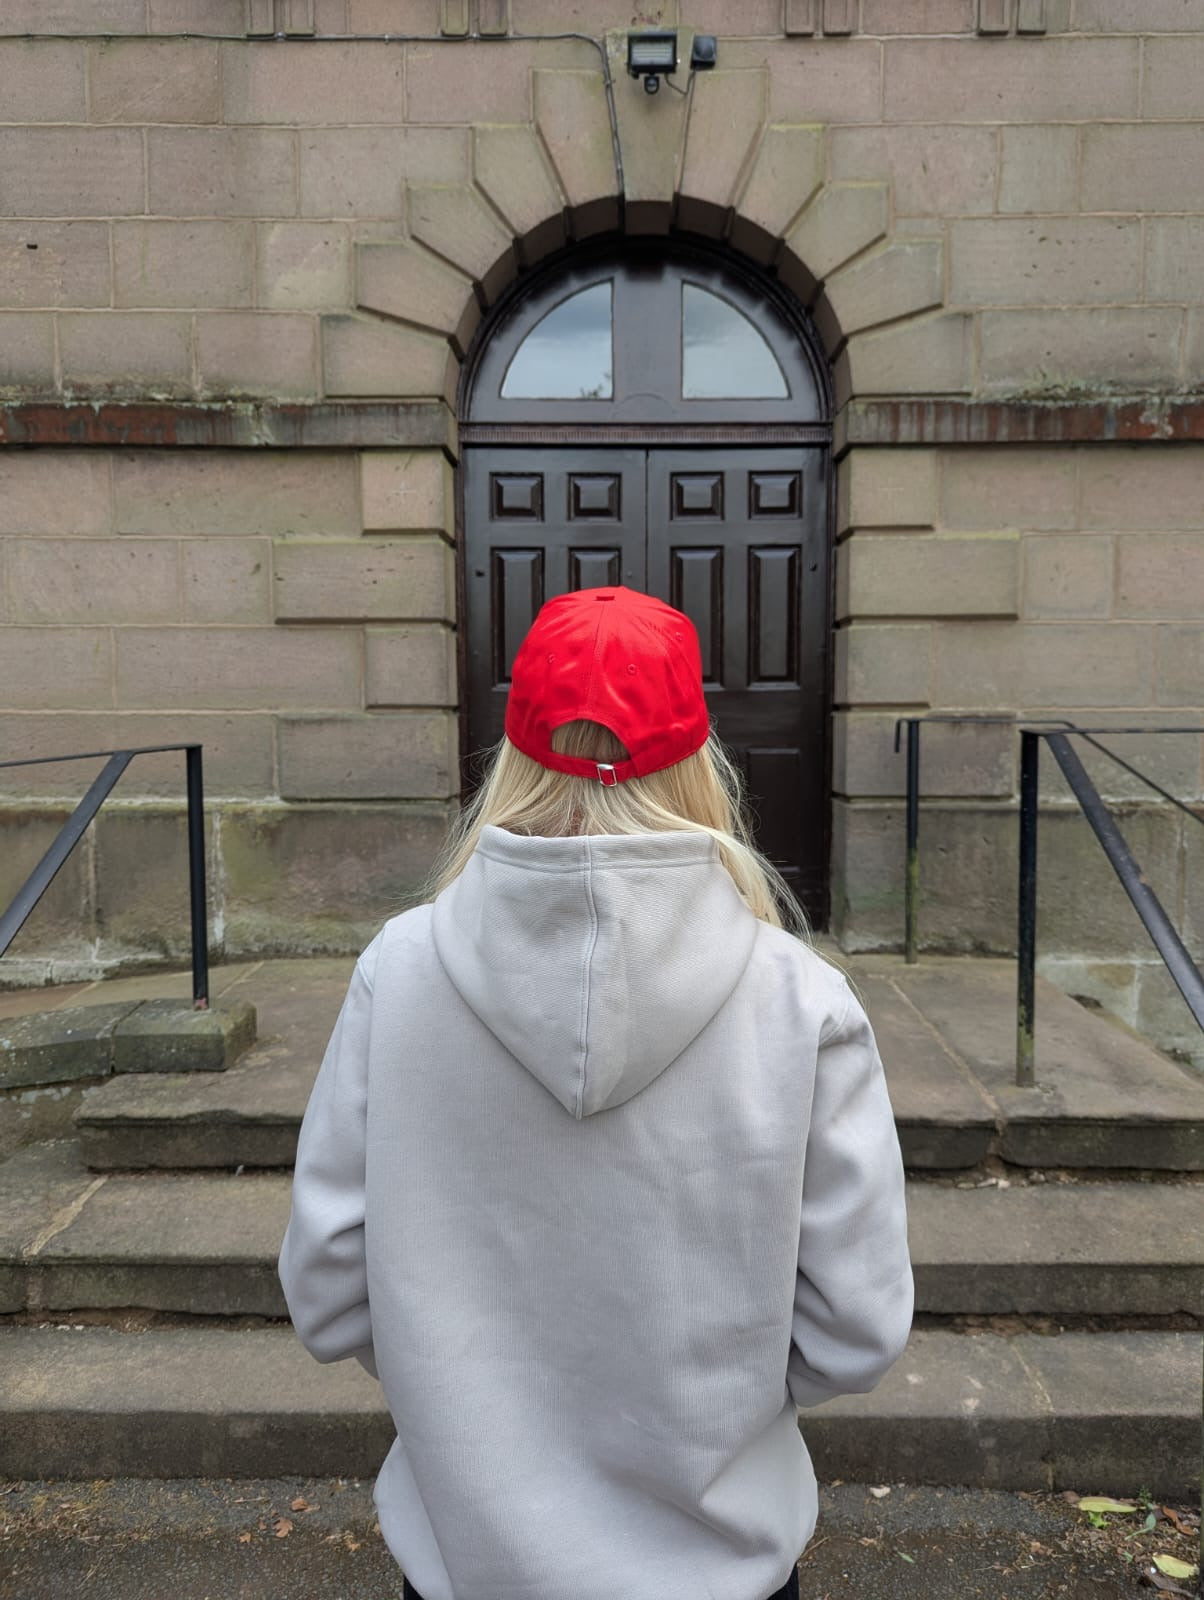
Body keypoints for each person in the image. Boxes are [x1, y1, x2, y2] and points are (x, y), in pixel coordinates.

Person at [277, 584, 914, 1600]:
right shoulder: (799, 999)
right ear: (698, 758)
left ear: (514, 751)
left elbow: (327, 1288)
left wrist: (466, 1394)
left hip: (467, 1565)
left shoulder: (399, 973)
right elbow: (856, 1326)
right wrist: (712, 1399)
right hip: (720, 1566)